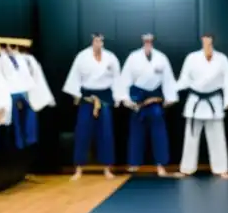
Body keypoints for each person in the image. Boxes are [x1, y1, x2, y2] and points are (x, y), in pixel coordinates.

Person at [176, 33, 228, 178]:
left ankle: (221, 169)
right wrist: (170, 92)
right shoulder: (192, 58)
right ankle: (186, 168)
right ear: (202, 40)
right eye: (205, 39)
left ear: (212, 41)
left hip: (214, 101)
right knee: (191, 137)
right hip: (195, 101)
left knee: (217, 137)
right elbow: (184, 79)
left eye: (209, 40)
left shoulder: (221, 59)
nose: (207, 42)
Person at [115, 33, 177, 177]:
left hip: (154, 100)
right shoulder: (133, 57)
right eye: (146, 41)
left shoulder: (161, 58)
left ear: (153, 42)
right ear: (143, 42)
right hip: (137, 100)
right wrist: (125, 98)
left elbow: (168, 79)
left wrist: (169, 98)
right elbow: (125, 78)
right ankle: (134, 164)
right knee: (136, 133)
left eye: (150, 41)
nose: (148, 43)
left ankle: (161, 165)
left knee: (159, 133)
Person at [63, 33, 120, 180]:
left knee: (106, 134)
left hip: (105, 97)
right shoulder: (82, 57)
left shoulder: (111, 57)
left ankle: (107, 168)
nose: (98, 43)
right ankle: (79, 169)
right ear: (92, 41)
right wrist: (77, 96)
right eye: (96, 41)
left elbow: (117, 78)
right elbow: (74, 77)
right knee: (82, 132)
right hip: (87, 97)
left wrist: (118, 97)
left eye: (101, 41)